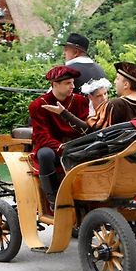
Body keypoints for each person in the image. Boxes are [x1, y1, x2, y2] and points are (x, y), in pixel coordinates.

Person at [42, 61, 136, 133]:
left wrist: (63, 113)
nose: (114, 82)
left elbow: (89, 130)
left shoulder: (113, 105)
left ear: (126, 84)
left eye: (117, 79)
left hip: (120, 161)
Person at [28, 66, 89, 207]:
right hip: (53, 147)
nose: (73, 86)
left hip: (77, 145)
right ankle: (52, 196)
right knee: (45, 155)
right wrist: (62, 148)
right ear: (55, 84)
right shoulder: (38, 105)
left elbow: (85, 127)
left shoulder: (80, 101)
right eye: (68, 83)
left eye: (73, 82)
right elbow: (42, 137)